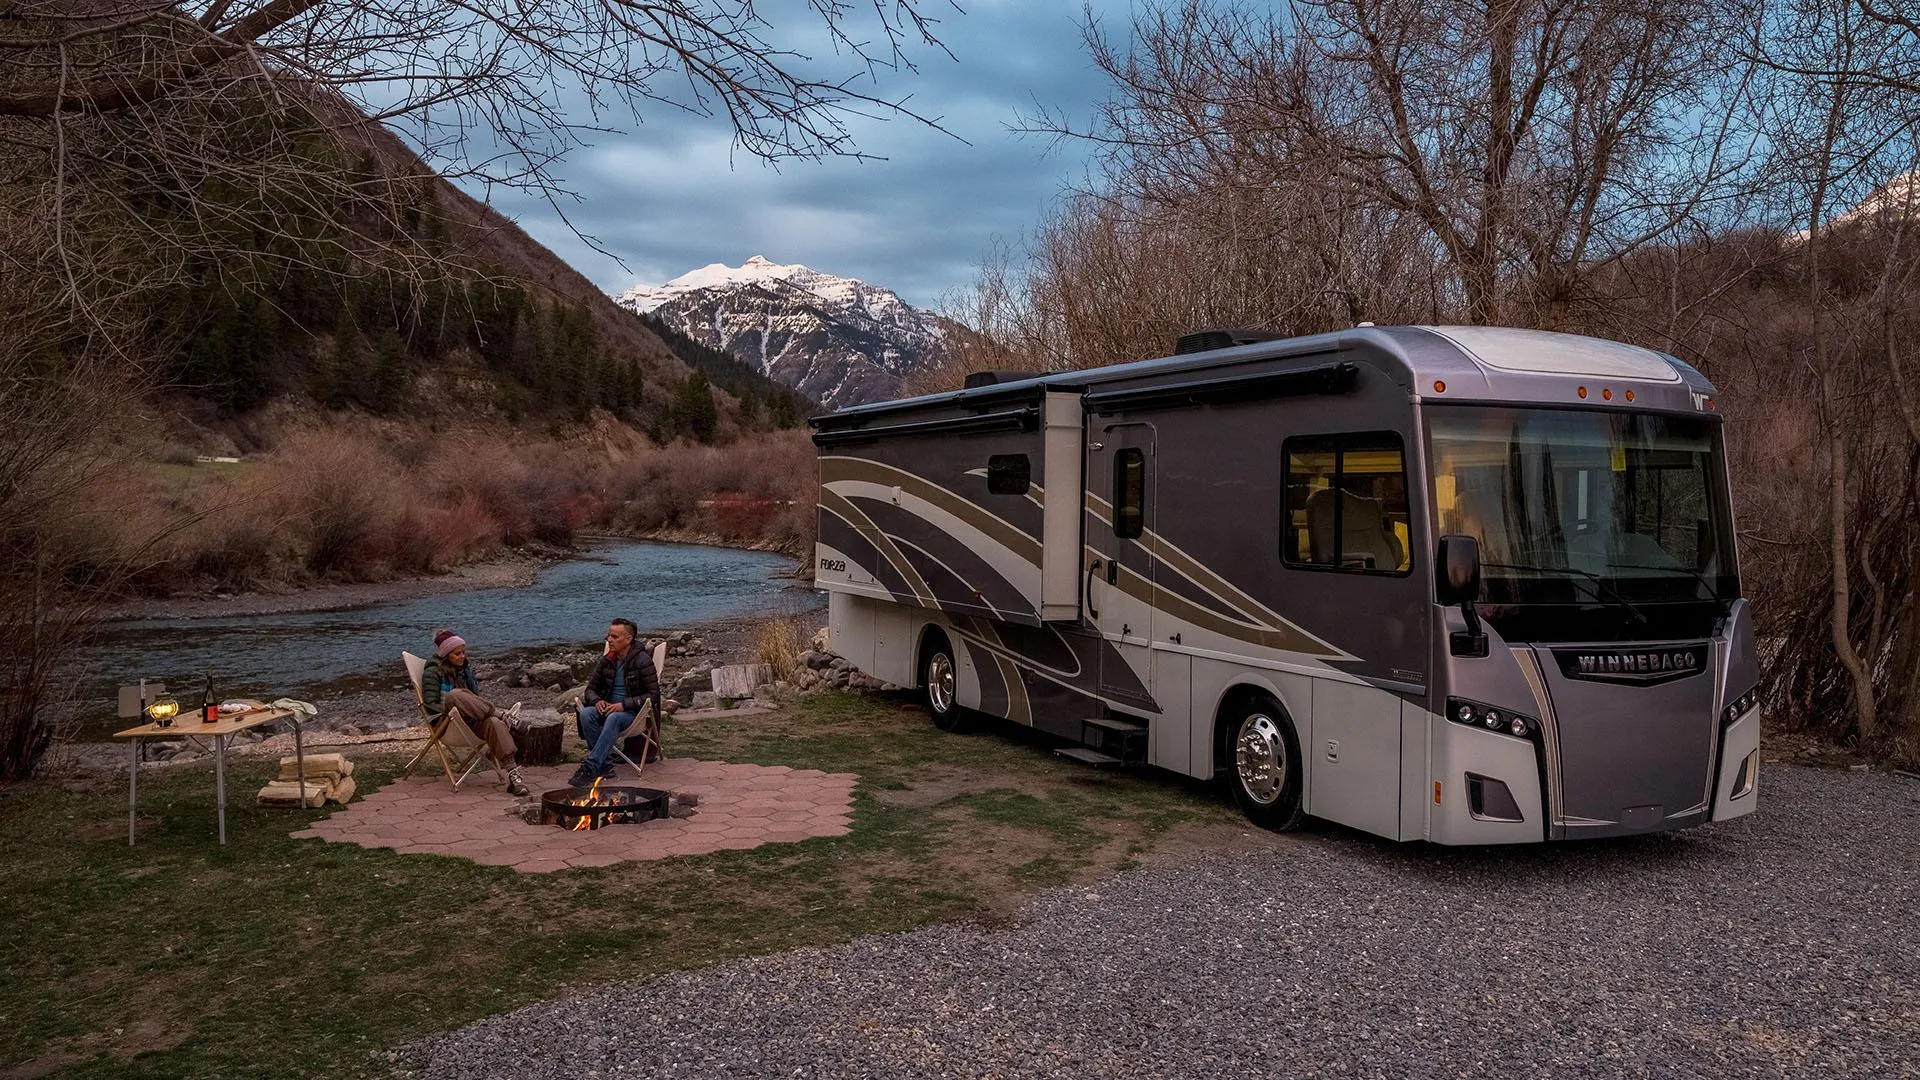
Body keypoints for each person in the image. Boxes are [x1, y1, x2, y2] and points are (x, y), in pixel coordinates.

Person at [422, 629, 529, 796]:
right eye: (457, 653)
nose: (462, 656)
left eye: (463, 652)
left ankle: (513, 776)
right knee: (455, 694)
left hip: (469, 721)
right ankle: (504, 715)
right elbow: (430, 705)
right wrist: (452, 710)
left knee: (493, 723)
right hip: (447, 722)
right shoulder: (432, 672)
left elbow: (475, 699)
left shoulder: (464, 671)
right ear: (446, 654)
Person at [571, 618, 662, 786]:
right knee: (586, 713)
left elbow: (653, 695)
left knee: (614, 718)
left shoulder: (642, 661)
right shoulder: (608, 660)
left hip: (633, 715)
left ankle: (590, 766)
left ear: (628, 639)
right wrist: (597, 700)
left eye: (614, 636)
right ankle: (604, 764)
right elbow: (590, 689)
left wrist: (623, 705)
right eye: (608, 636)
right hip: (607, 709)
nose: (609, 640)